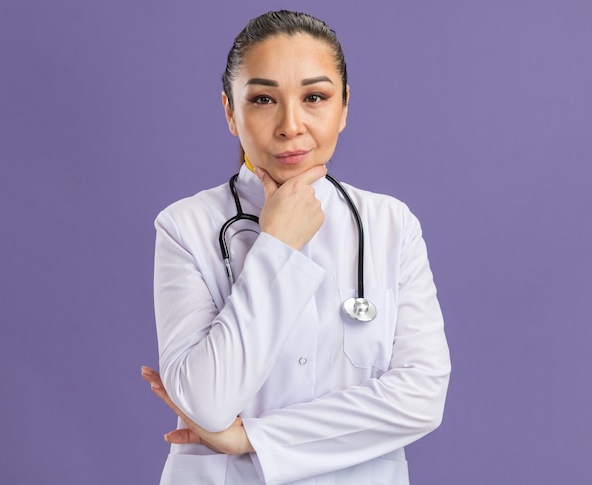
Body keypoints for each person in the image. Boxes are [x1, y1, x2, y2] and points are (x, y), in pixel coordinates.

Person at [141, 10, 451, 484]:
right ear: (230, 112)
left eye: (315, 97)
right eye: (264, 98)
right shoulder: (186, 227)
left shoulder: (391, 225)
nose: (290, 125)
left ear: (344, 106)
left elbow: (422, 398)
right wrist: (278, 244)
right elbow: (206, 402)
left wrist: (254, 438)